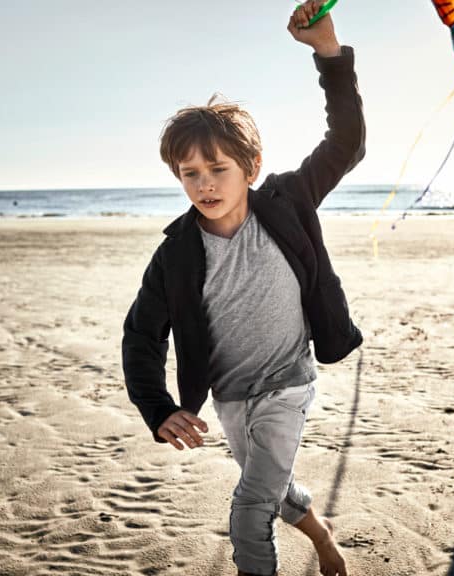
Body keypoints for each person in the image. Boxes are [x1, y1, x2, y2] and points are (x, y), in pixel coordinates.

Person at [121, 3, 361, 575]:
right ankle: (320, 532)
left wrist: (329, 54)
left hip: (288, 384)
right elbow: (140, 335)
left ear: (251, 168)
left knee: (249, 507)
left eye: (218, 168)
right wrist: (156, 407)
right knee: (272, 490)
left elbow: (346, 142)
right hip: (229, 397)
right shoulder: (175, 255)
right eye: (189, 173)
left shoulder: (288, 201)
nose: (204, 183)